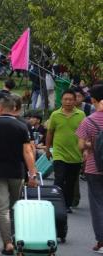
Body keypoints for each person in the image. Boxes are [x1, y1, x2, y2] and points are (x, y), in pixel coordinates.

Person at [0, 95, 38, 255]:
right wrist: (32, 174)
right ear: (14, 108)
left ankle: (8, 243)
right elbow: (28, 152)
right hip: (17, 172)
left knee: (1, 209)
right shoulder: (22, 126)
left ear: (1, 108)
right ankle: (16, 238)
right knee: (14, 206)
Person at [45, 89, 85, 213]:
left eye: (70, 99)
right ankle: (56, 202)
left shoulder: (81, 115)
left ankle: (67, 204)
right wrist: (47, 148)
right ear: (61, 101)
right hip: (59, 153)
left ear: (75, 101)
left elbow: (85, 134)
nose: (68, 102)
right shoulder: (55, 115)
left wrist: (85, 151)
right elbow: (50, 132)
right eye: (65, 99)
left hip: (75, 154)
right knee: (59, 178)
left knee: (71, 182)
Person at [76, 84, 103, 253]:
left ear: (93, 100)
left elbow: (80, 146)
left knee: (98, 205)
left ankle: (101, 242)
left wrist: (90, 145)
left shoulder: (88, 120)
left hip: (94, 168)